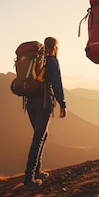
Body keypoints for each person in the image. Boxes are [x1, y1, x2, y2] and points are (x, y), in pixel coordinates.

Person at [24, 36, 67, 187]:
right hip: (44, 102)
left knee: (42, 135)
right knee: (38, 138)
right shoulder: (52, 61)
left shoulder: (33, 59)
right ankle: (29, 178)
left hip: (29, 102)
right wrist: (62, 104)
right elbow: (56, 83)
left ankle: (37, 172)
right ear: (54, 48)